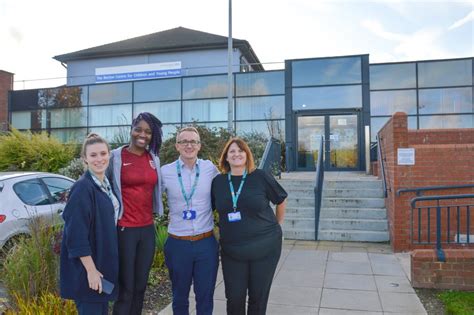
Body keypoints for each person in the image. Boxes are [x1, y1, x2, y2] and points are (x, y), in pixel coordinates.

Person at [211, 137, 287, 315]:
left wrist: (276, 227)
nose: (237, 154)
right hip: (232, 250)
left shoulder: (260, 176)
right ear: (226, 158)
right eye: (232, 151)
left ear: (247, 154)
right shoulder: (219, 182)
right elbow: (211, 208)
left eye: (241, 150)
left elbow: (281, 200)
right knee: (234, 298)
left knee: (258, 298)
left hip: (265, 248)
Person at [108, 112, 164, 315]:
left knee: (140, 286)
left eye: (148, 132)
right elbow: (99, 185)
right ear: (131, 130)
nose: (143, 134)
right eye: (138, 129)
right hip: (124, 229)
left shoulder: (153, 159)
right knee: (126, 288)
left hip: (147, 229)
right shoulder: (115, 156)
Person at [161, 126, 220, 315]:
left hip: (206, 243)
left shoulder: (210, 168)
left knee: (205, 296)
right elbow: (148, 197)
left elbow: (227, 189)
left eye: (193, 141)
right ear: (177, 146)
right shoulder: (165, 172)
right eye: (184, 141)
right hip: (178, 244)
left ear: (199, 146)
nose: (189, 145)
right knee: (179, 297)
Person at [60, 133, 120, 315]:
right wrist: (91, 271)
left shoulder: (105, 184)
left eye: (103, 153)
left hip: (101, 267)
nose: (99, 159)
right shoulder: (82, 188)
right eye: (93, 155)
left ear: (109, 155)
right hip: (88, 272)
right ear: (84, 159)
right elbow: (75, 236)